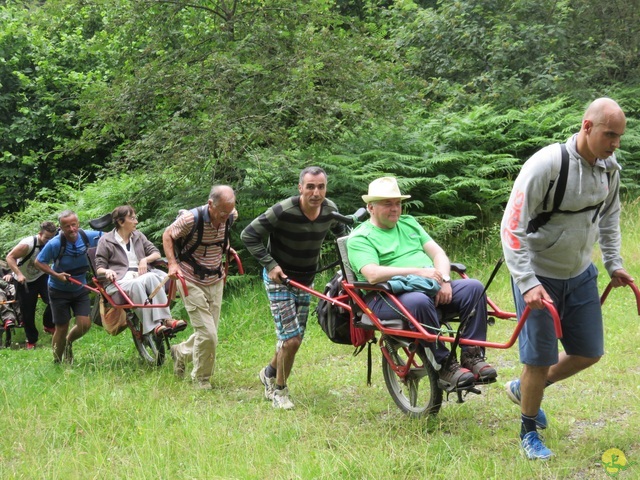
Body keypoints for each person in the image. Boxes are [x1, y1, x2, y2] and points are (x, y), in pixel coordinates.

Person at [500, 98, 634, 460]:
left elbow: (608, 219)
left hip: (580, 274)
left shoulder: (609, 168)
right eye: (610, 134)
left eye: (619, 137)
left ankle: (526, 388)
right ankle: (529, 429)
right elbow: (511, 226)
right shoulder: (547, 165)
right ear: (587, 127)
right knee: (538, 358)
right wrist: (527, 282)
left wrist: (614, 264)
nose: (615, 143)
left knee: (589, 352)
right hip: (539, 275)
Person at [347, 177, 497, 391]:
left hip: (430, 286)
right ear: (370, 207)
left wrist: (444, 280)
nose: (395, 209)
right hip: (386, 296)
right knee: (418, 301)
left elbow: (438, 253)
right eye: (387, 203)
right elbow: (372, 274)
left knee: (474, 288)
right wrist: (418, 272)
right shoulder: (361, 237)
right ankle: (445, 365)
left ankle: (472, 356)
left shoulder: (408, 223)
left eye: (397, 203)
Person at [241, 166, 346, 410]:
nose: (316, 192)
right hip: (279, 279)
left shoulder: (330, 210)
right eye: (310, 186)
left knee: (294, 339)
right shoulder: (283, 210)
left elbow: (344, 239)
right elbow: (249, 235)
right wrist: (271, 265)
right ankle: (279, 391)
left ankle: (268, 372)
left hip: (306, 280)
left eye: (320, 187)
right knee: (291, 339)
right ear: (300, 188)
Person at [162, 185, 237, 390]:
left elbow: (220, 235)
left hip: (216, 278)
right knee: (209, 334)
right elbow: (167, 235)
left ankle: (180, 352)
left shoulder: (230, 215)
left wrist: (226, 248)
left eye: (229, 211)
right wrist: (172, 264)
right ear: (210, 204)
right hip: (190, 279)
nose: (226, 216)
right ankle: (201, 379)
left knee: (208, 332)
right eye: (223, 212)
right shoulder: (190, 220)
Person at [94, 206, 187, 340]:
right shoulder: (106, 240)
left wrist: (145, 259)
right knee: (142, 281)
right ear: (121, 222)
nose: (136, 221)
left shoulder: (138, 235)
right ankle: (154, 327)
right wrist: (107, 271)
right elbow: (99, 267)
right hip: (119, 281)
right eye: (132, 218)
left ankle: (166, 320)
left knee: (153, 276)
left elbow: (155, 252)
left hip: (142, 275)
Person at [34, 210, 102, 364]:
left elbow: (110, 238)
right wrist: (56, 274)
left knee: (85, 324)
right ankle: (57, 362)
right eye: (67, 226)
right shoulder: (55, 243)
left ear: (78, 224)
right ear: (61, 227)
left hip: (80, 288)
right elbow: (38, 262)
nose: (71, 229)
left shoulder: (88, 236)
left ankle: (68, 343)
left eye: (73, 225)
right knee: (62, 326)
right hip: (58, 290)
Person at [4, 221, 57, 348]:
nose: (49, 241)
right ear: (40, 234)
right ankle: (31, 340)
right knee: (28, 311)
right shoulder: (27, 244)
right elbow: (9, 257)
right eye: (47, 238)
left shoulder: (53, 243)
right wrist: (19, 274)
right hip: (24, 280)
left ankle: (49, 325)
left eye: (52, 238)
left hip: (41, 276)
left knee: (54, 300)